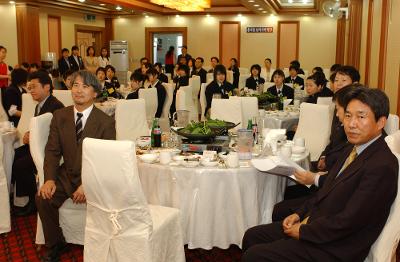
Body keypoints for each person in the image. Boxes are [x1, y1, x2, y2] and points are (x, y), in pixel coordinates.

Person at [242, 87, 397, 262]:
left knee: (254, 256)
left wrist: (303, 231)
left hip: (337, 247)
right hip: (318, 224)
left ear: (381, 122)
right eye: (348, 115)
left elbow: (349, 222)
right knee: (252, 236)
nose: (351, 124)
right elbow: (324, 192)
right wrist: (299, 214)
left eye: (361, 117)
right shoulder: (352, 148)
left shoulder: (382, 166)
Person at [36, 70, 116, 261]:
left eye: (85, 86)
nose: (79, 90)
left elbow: (106, 160)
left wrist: (87, 184)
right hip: (67, 174)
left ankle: (103, 246)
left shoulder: (105, 122)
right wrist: (48, 179)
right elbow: (53, 151)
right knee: (43, 198)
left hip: (93, 177)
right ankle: (56, 243)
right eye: (75, 85)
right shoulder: (60, 115)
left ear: (95, 93)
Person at [272, 85, 358, 222]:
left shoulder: (355, 137)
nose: (336, 114)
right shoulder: (344, 128)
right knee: (285, 192)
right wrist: (323, 158)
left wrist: (316, 178)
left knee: (280, 205)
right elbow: (331, 144)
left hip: (328, 197)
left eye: (339, 110)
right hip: (326, 177)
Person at [12, 71, 64, 216]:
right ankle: (20, 197)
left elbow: (55, 135)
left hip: (49, 150)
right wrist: (30, 134)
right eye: (29, 87)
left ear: (47, 87)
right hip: (38, 146)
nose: (31, 90)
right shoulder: (40, 105)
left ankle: (34, 200)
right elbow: (39, 128)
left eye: (34, 87)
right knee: (14, 155)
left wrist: (33, 137)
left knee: (20, 166)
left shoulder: (55, 106)